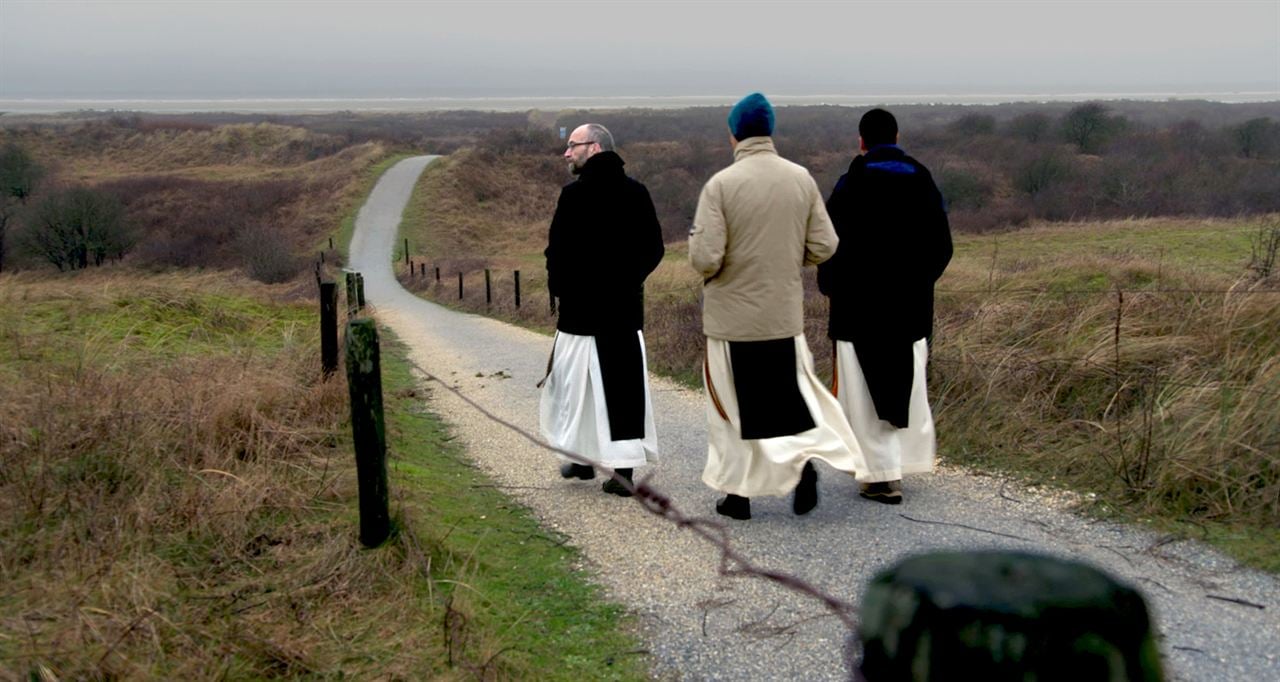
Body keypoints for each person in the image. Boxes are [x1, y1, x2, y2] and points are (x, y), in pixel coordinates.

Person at [689, 93, 867, 520]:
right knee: (784, 402)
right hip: (783, 317)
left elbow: (705, 258)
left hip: (732, 319)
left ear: (733, 133)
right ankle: (800, 465)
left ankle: (737, 496)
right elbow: (826, 245)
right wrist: (789, 260)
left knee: (731, 408)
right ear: (770, 130)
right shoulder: (800, 178)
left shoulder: (721, 185)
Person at [817, 108, 953, 505]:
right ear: (897, 135)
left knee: (861, 393)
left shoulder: (850, 184)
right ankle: (901, 464)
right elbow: (941, 246)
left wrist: (833, 287)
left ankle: (879, 476)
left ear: (861, 141)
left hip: (858, 308)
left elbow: (828, 244)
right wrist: (919, 284)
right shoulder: (922, 179)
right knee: (904, 387)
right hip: (909, 308)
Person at [539, 123, 664, 497]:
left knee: (573, 388)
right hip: (621, 313)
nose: (566, 153)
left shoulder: (573, 197)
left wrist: (562, 289)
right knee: (619, 391)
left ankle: (581, 460)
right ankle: (616, 471)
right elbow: (654, 248)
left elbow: (556, 252)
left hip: (580, 313)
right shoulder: (636, 192)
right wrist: (628, 281)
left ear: (593, 148)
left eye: (572, 146)